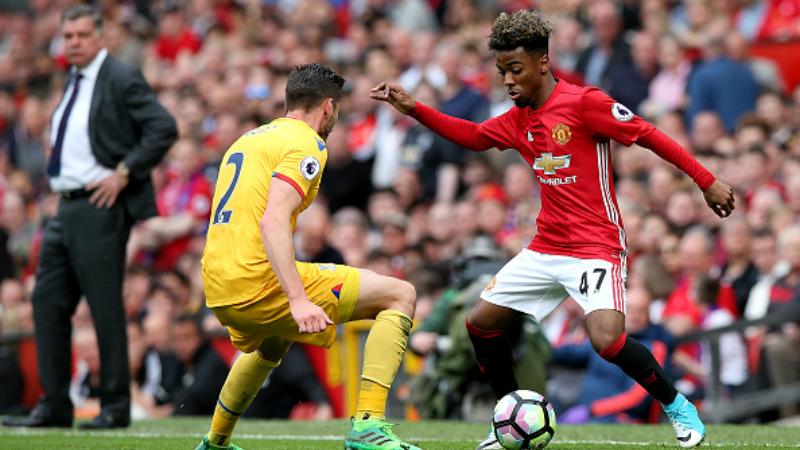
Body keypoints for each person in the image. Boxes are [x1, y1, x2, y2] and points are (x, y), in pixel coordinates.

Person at [371, 10, 735, 449]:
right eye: (502, 71)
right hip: (547, 245)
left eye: (516, 70)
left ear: (543, 63)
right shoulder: (516, 118)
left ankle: (677, 405)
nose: (507, 81)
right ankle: (507, 415)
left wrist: (706, 181)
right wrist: (415, 109)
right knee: (480, 323)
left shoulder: (585, 104)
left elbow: (648, 134)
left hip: (596, 244)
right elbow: (472, 136)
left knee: (607, 339)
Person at [195, 63, 419, 450]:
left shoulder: (247, 140)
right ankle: (368, 426)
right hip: (255, 279)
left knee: (273, 340)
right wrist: (298, 299)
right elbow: (273, 221)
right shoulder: (306, 143)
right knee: (400, 294)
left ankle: (216, 442)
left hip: (217, 283)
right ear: (328, 107)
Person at [2, 5, 176, 430]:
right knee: (46, 302)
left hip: (99, 206)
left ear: (99, 36)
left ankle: (115, 406)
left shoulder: (120, 76)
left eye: (82, 34)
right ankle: (55, 403)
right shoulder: (74, 80)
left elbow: (162, 126)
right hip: (65, 206)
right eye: (68, 36)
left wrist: (124, 172)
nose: (74, 42)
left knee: (103, 307)